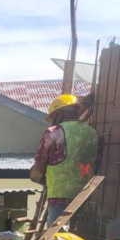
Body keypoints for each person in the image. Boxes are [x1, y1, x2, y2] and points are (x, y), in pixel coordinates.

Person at [30, 94, 99, 227]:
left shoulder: (53, 132)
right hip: (87, 196)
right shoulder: (92, 133)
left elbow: (38, 169)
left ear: (59, 114)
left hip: (60, 198)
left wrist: (35, 176)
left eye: (54, 117)